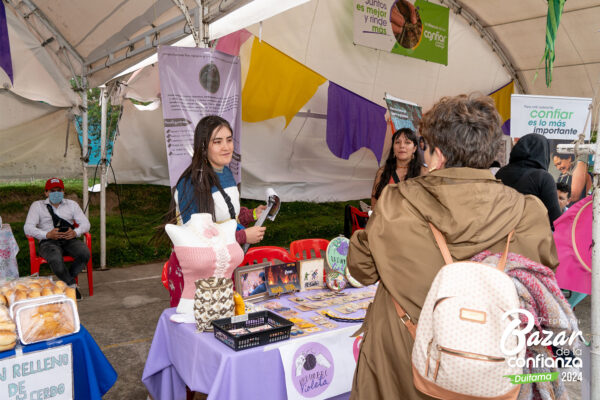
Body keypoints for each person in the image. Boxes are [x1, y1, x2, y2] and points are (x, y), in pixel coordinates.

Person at [347, 94, 558, 400]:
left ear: (439, 154)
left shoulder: (396, 201)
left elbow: (361, 270)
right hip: (486, 364)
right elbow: (541, 286)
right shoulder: (529, 211)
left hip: (400, 360)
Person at [165, 115, 266, 306]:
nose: (226, 147)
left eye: (229, 140)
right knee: (195, 329)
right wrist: (243, 236)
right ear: (203, 146)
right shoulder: (191, 184)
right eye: (217, 142)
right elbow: (197, 238)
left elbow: (228, 215)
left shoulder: (225, 172)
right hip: (194, 273)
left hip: (222, 267)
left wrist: (252, 214)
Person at [24, 178, 90, 299]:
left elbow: (86, 224)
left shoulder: (72, 205)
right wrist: (46, 234)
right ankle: (71, 285)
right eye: (52, 190)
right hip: (48, 242)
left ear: (63, 191)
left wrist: (75, 232)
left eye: (59, 190)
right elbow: (27, 228)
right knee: (56, 259)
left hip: (69, 239)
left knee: (84, 253)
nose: (56, 193)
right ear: (46, 192)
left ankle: (64, 281)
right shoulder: (37, 206)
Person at [496, 133, 561, 228]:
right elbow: (555, 220)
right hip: (530, 238)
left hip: (501, 235)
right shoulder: (543, 178)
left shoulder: (501, 173)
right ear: (544, 152)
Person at [371, 128, 426, 208]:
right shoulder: (382, 172)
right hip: (384, 219)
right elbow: (374, 201)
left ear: (414, 148)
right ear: (393, 147)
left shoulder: (423, 172)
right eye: (397, 142)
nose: (402, 146)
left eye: (407, 142)